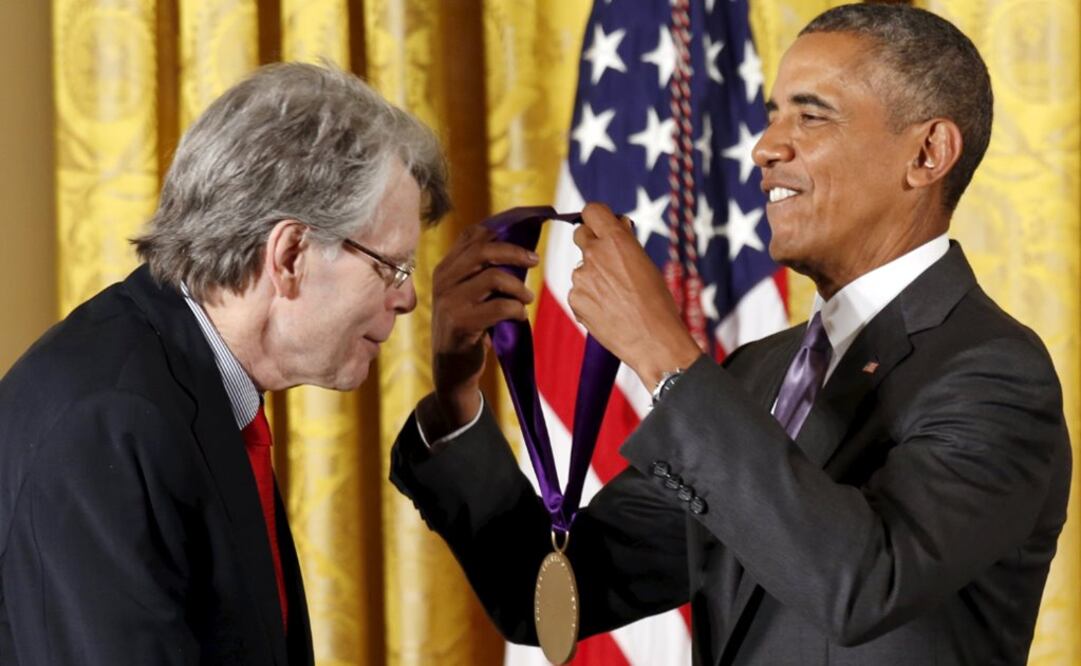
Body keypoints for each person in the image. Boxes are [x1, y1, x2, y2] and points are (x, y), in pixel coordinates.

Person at [390, 4, 1071, 664]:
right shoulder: (759, 372)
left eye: (810, 115)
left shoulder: (992, 373)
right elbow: (549, 591)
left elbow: (863, 586)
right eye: (774, 113)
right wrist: (457, 396)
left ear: (926, 153)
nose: (765, 145)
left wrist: (663, 354)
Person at [0, 63, 448, 665]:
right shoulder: (110, 418)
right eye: (390, 266)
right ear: (289, 254)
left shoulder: (191, 381)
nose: (407, 297)